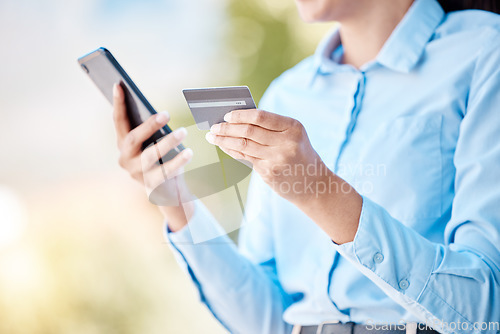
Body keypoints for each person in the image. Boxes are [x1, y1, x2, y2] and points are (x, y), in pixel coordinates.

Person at [112, 0, 500, 333]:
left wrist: (319, 190)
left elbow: (485, 310)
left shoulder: (485, 52)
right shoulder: (288, 93)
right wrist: (174, 198)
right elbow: (267, 321)